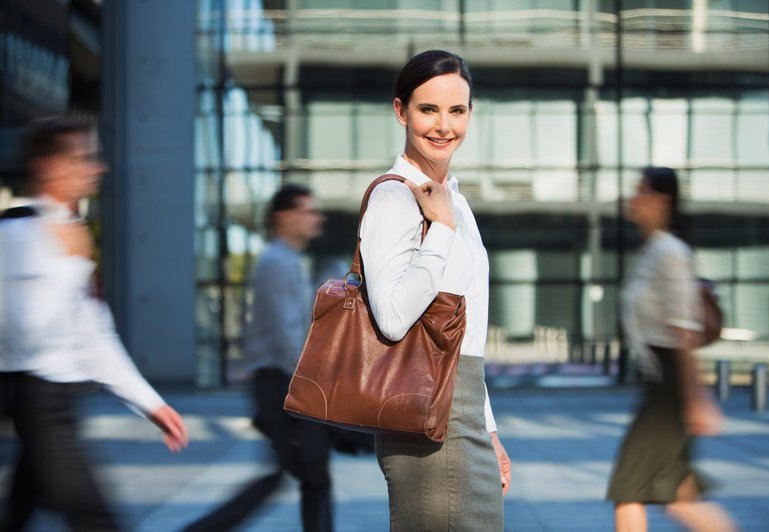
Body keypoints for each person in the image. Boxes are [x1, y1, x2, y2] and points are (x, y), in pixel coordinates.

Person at [0, 116, 189, 531]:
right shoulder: (16, 234)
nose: (97, 168)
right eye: (85, 159)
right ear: (50, 167)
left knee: (17, 517)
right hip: (35, 400)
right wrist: (69, 264)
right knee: (97, 521)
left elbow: (94, 335)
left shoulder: (71, 233)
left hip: (59, 402)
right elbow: (24, 333)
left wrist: (149, 403)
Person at [359, 49, 511, 531]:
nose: (444, 125)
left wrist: (488, 429)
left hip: (463, 410)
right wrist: (440, 231)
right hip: (424, 415)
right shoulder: (394, 196)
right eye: (428, 109)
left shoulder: (455, 201)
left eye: (457, 110)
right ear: (401, 111)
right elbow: (392, 318)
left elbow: (468, 333)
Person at [183, 184, 331, 532]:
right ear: (284, 217)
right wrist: (315, 387)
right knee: (306, 476)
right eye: (308, 210)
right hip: (281, 385)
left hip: (281, 383)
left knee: (308, 475)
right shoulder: (278, 262)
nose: (316, 217)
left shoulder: (287, 260)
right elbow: (287, 337)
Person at [607, 167, 737, 532]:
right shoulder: (652, 250)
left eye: (641, 191)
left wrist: (696, 397)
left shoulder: (670, 252)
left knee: (629, 489)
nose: (632, 198)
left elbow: (684, 330)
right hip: (659, 383)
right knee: (679, 496)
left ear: (662, 201)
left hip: (669, 389)